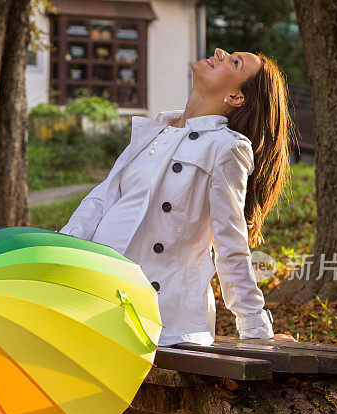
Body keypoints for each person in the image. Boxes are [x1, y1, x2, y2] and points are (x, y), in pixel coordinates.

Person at [59, 48, 298, 347]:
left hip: (163, 316)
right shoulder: (154, 131)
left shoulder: (227, 148)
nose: (220, 52)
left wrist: (255, 330)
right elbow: (100, 202)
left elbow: (230, 244)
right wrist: (59, 252)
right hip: (100, 293)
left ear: (236, 98)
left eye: (234, 62)